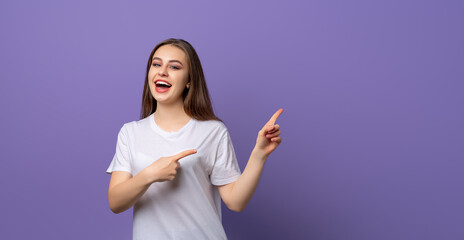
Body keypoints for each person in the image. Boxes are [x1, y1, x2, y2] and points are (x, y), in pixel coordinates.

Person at [106, 38, 283, 240]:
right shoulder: (130, 133)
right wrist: (150, 174)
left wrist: (259, 155)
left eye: (174, 66)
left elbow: (236, 201)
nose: (162, 71)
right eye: (156, 64)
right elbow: (115, 202)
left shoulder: (213, 131)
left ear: (189, 80)